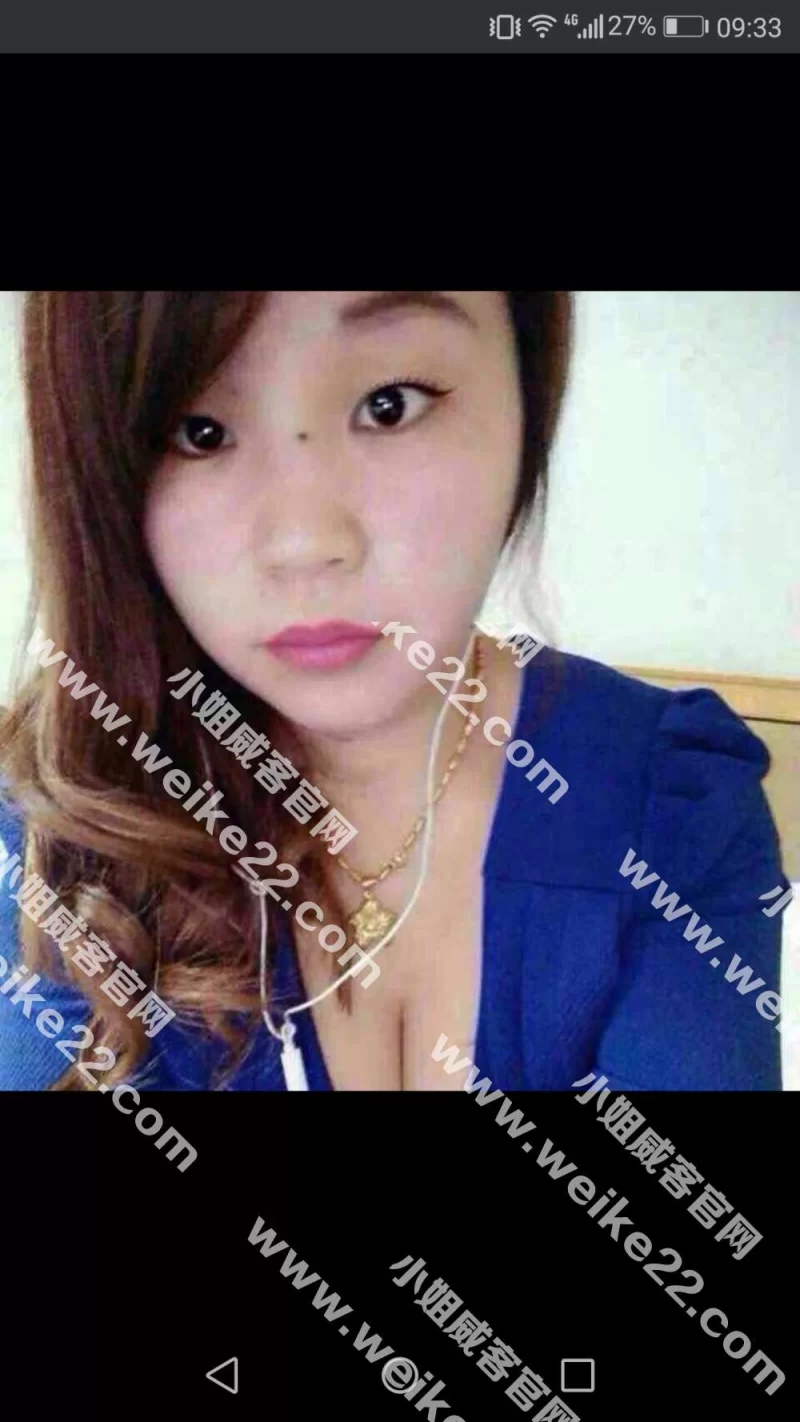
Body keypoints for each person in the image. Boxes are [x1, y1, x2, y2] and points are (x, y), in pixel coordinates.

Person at [0, 291, 787, 1092]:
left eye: (389, 404)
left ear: (526, 388)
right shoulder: (55, 823)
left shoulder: (670, 803)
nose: (307, 544)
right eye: (199, 432)